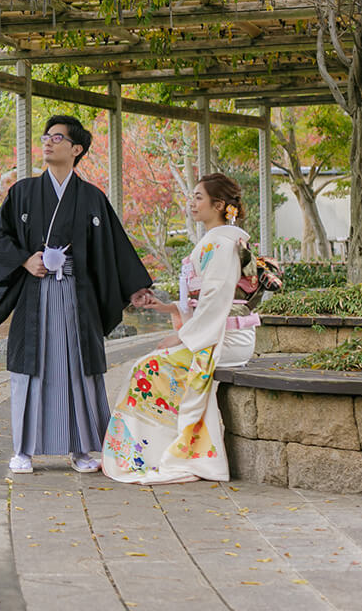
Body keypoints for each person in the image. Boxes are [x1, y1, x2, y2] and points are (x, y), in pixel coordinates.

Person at [0, 115, 153, 475]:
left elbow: (114, 248)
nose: (48, 142)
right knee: (32, 370)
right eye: (46, 136)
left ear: (76, 149)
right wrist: (24, 260)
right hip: (36, 293)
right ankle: (23, 450)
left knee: (77, 368)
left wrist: (135, 286)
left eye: (57, 138)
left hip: (77, 298)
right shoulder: (23, 192)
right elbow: (0, 236)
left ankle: (81, 448)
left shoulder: (91, 197)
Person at [102, 173, 258, 485]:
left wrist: (182, 336)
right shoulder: (219, 239)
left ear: (219, 205)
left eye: (199, 197)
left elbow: (216, 300)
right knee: (147, 366)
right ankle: (142, 452)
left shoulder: (224, 241)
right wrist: (170, 308)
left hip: (225, 338)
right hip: (217, 332)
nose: (192, 202)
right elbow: (207, 300)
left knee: (146, 368)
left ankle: (149, 455)